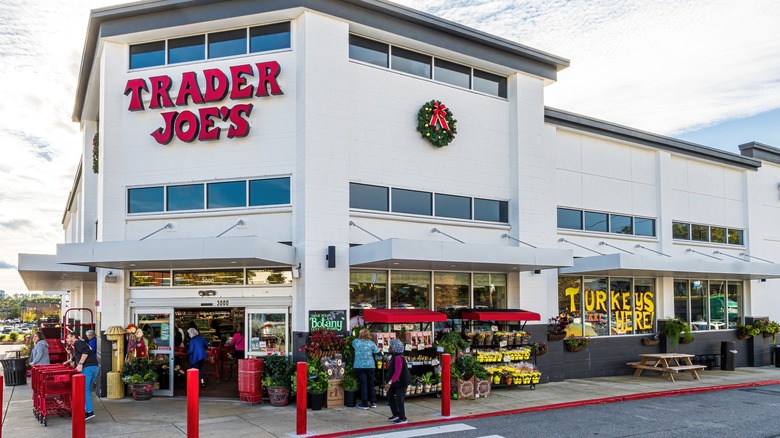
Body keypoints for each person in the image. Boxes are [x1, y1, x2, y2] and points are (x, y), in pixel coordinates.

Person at [63, 332, 99, 421]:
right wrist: (67, 362)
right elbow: (76, 356)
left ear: (73, 337)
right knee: (87, 390)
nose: (67, 340)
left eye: (68, 337)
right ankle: (87, 410)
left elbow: (85, 351)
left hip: (88, 368)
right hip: (94, 367)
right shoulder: (79, 344)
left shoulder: (77, 342)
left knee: (84, 390)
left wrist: (80, 364)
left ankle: (89, 412)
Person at [351, 328, 380, 410]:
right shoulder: (371, 343)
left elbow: (351, 345)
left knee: (363, 384)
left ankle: (365, 404)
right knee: (371, 384)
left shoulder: (355, 342)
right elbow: (378, 353)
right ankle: (373, 402)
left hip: (359, 366)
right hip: (370, 366)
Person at [385, 339, 410, 424]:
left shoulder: (399, 358)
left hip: (401, 381)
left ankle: (403, 418)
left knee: (399, 399)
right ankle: (396, 414)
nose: (389, 348)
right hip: (395, 381)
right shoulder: (394, 356)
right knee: (389, 395)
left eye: (391, 347)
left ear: (395, 348)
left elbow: (397, 372)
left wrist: (389, 383)